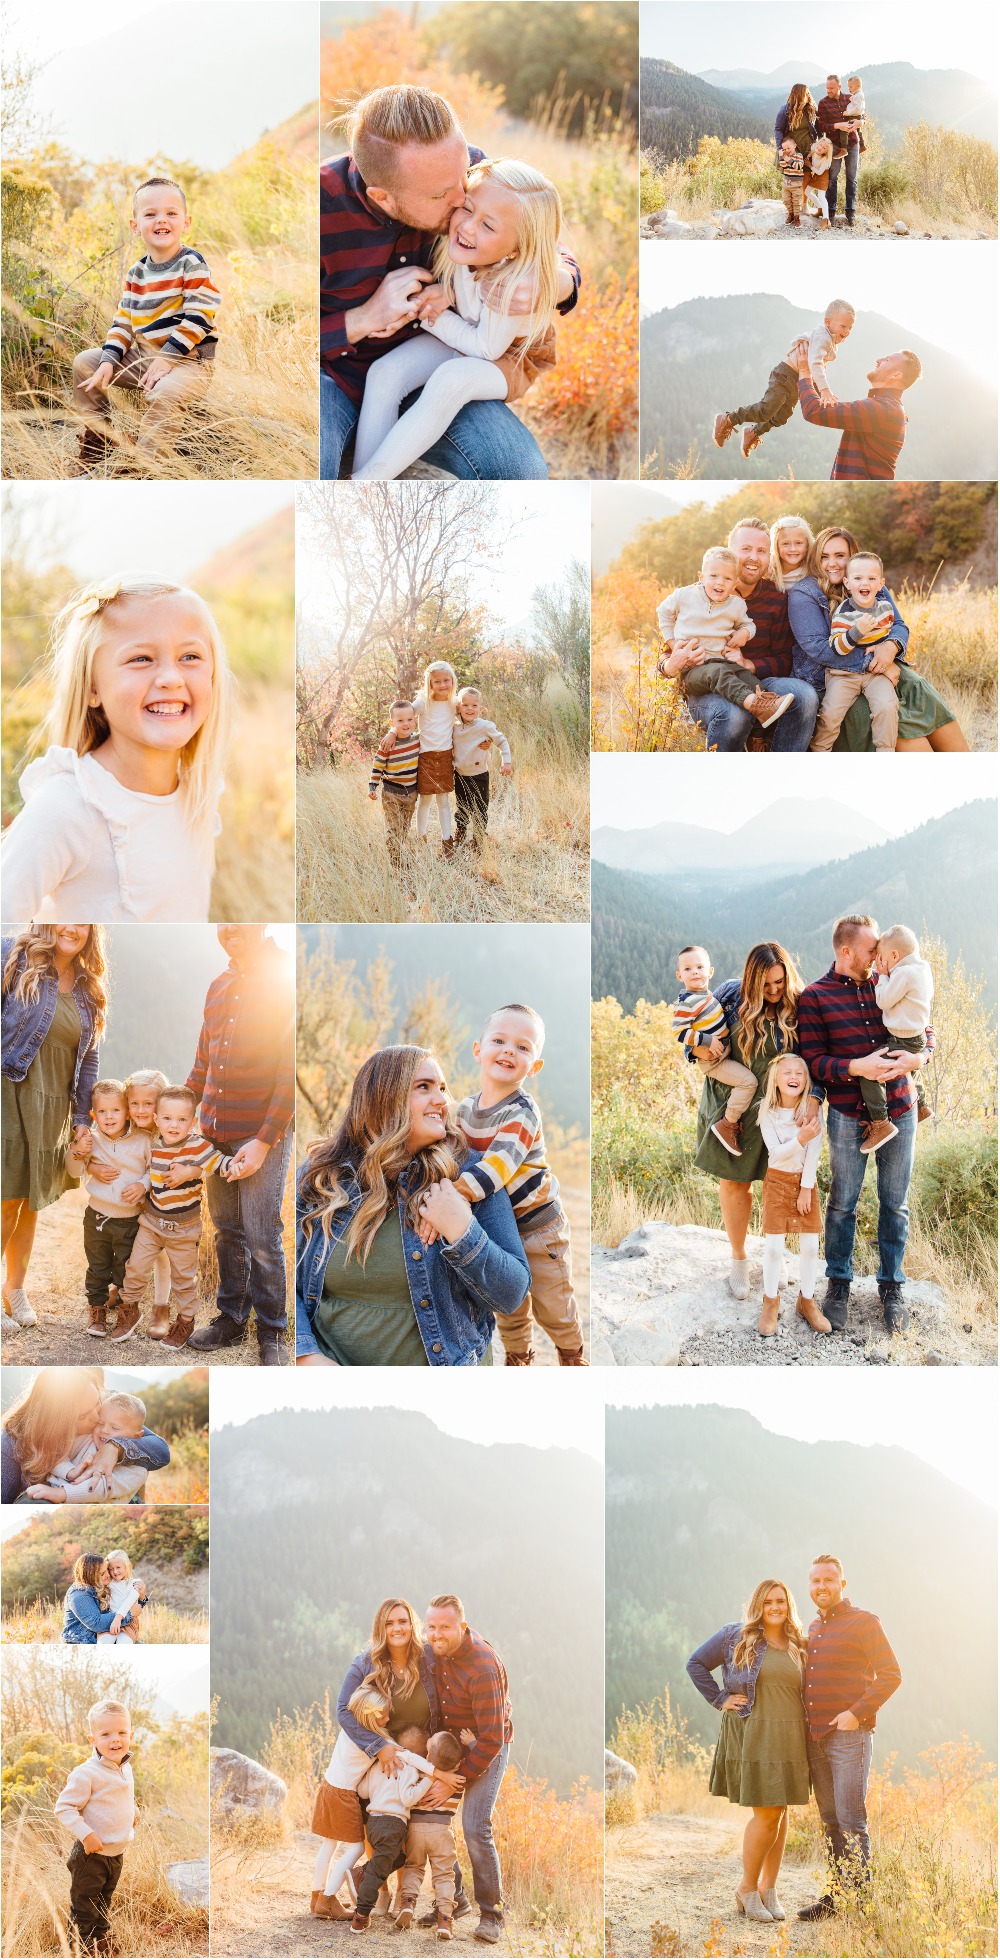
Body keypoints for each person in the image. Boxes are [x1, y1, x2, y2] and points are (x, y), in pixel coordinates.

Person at [319, 84, 580, 482]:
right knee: (311, 468)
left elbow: (539, 238)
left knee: (518, 471)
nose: (463, 199)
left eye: (464, 179)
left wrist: (556, 283)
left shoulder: (463, 170)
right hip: (334, 378)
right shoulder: (318, 206)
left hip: (445, 364)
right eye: (444, 194)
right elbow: (276, 341)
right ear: (383, 197)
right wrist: (361, 319)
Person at [0, 578, 232, 922]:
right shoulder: (67, 808)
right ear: (93, 688)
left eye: (190, 656)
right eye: (141, 658)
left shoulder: (197, 794)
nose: (171, 677)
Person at [296, 1046, 530, 1366]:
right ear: (382, 1096)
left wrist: (462, 1229)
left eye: (443, 1089)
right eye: (424, 1087)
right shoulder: (321, 1177)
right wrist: (305, 1355)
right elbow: (284, 1279)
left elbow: (512, 1294)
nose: (442, 1101)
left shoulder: (470, 1176)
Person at [352, 158, 562, 482]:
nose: (467, 226)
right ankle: (361, 478)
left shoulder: (510, 283)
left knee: (452, 379)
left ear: (517, 249)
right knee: (385, 373)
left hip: (509, 359)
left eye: (488, 225)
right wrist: (446, 293)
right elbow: (467, 290)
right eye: (467, 207)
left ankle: (368, 481)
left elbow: (486, 349)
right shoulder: (470, 247)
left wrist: (428, 316)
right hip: (470, 335)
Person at [797, 913, 929, 1334]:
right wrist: (858, 1067)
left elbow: (924, 1024)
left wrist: (919, 1057)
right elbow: (814, 1060)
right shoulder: (815, 997)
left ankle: (891, 1287)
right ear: (845, 951)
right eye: (871, 950)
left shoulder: (887, 980)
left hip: (901, 1109)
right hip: (848, 1115)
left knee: (896, 1203)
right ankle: (839, 1285)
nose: (879, 957)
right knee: (842, 1204)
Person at [184, 926, 295, 1365]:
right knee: (227, 1230)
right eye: (224, 921)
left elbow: (290, 1073)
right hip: (214, 1134)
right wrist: (173, 1112)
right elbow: (202, 1065)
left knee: (262, 1235)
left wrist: (264, 1143)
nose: (232, 930)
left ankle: (272, 1332)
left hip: (259, 1135)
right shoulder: (218, 986)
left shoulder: (283, 979)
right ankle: (231, 1319)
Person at [452, 1004, 587, 1365]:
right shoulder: (464, 1111)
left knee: (553, 1305)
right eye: (499, 1040)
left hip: (539, 1228)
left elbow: (499, 1165)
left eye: (523, 1047)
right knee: (508, 1303)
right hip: (499, 1228)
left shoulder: (522, 1110)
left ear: (535, 1067)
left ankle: (572, 1354)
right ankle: (518, 1358)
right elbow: (448, 1152)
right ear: (478, 1050)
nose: (509, 1050)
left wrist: (456, 1194)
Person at [692, 942, 820, 1300]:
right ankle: (738, 1260)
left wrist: (811, 1098)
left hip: (781, 1108)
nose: (775, 991)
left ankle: (772, 1260)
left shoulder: (800, 1002)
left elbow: (815, 1052)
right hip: (734, 1105)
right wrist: (697, 1048)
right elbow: (696, 1028)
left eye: (780, 982)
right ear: (750, 980)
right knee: (736, 1184)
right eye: (766, 985)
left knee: (778, 1184)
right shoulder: (730, 995)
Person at [71, 176, 219, 466]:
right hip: (144, 357)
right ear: (135, 225)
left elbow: (201, 315)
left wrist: (167, 359)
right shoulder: (136, 273)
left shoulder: (192, 263)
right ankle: (98, 441)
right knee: (85, 363)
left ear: (186, 222)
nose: (161, 220)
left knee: (163, 392)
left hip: (189, 361)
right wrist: (108, 360)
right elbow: (123, 322)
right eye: (150, 214)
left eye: (171, 213)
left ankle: (147, 464)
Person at [687, 1579, 810, 1926]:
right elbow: (695, 1663)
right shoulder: (735, 1635)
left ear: (789, 1605)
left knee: (781, 1811)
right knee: (767, 1813)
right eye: (769, 1601)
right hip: (754, 1732)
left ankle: (769, 1889)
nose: (775, 1607)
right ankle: (746, 1888)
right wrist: (720, 1698)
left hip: (790, 1736)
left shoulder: (797, 1642)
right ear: (758, 1604)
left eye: (781, 1601)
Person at [2, 926, 106, 1334]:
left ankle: (15, 1290)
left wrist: (83, 1121)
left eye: (83, 921)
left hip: (52, 1107)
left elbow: (90, 1061)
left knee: (30, 1202)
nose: (72, 927)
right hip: (8, 1090)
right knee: (6, 1199)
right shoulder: (13, 954)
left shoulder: (90, 989)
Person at [325, 1598, 453, 1917]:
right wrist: (377, 1747)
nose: (397, 1628)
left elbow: (456, 1678)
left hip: (416, 1749)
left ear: (412, 1625)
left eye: (402, 1621)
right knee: (375, 1817)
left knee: (406, 1822)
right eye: (389, 1623)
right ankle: (380, 1889)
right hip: (379, 1751)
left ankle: (402, 1896)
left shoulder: (427, 1658)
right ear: (380, 1628)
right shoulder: (366, 1661)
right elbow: (343, 1709)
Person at [787, 525, 969, 750]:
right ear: (816, 559)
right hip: (833, 676)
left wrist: (891, 647)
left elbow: (899, 625)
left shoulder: (868, 579)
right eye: (824, 556)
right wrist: (877, 665)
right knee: (897, 726)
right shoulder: (804, 594)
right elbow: (819, 649)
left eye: (840, 556)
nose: (832, 563)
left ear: (852, 557)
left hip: (882, 665)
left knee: (918, 688)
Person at [797, 1556, 902, 1922]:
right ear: (809, 1587)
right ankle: (837, 1896)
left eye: (829, 1580)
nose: (821, 1586)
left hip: (849, 1738)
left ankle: (862, 1905)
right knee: (829, 1820)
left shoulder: (864, 1622)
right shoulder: (813, 1627)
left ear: (842, 1584)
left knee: (851, 1820)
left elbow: (891, 1674)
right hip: (815, 1740)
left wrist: (855, 1713)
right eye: (815, 1581)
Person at [656, 520, 819, 753]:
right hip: (707, 687)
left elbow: (785, 659)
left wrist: (749, 665)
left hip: (751, 679)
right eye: (746, 549)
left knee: (805, 696)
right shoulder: (698, 594)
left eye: (762, 551)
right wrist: (671, 665)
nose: (754, 557)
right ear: (730, 552)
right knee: (734, 714)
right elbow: (665, 652)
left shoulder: (777, 598)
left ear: (769, 557)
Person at [419, 1594, 513, 1946]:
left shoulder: (482, 1665)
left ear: (462, 1625)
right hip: (450, 1744)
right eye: (431, 1627)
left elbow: (492, 1739)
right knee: (429, 1817)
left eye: (444, 1626)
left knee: (475, 1825)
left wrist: (453, 1781)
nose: (436, 1633)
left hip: (485, 1745)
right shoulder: (434, 1650)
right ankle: (454, 1899)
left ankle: (492, 1914)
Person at [111, 1085, 234, 1349]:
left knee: (184, 1279)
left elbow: (219, 1163)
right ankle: (129, 1310)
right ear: (157, 1120)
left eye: (182, 1120)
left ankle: (185, 1322)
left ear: (193, 1121)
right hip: (152, 1223)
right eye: (167, 1118)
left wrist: (231, 1166)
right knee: (135, 1269)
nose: (174, 1125)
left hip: (184, 1228)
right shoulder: (154, 1144)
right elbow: (143, 1171)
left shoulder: (198, 1146)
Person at [657, 546, 794, 733]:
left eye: (727, 579)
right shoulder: (684, 595)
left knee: (748, 678)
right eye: (713, 576)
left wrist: (744, 633)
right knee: (717, 671)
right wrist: (673, 644)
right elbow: (663, 613)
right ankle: (754, 704)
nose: (720, 583)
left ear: (735, 582)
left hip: (721, 663)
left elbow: (749, 625)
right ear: (701, 576)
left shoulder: (736, 605)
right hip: (692, 671)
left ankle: (762, 723)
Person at [713, 300, 854, 461]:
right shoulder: (823, 338)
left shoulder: (829, 339)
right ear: (828, 322)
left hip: (796, 379)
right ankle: (728, 419)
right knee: (766, 409)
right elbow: (815, 364)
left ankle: (752, 432)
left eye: (850, 328)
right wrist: (824, 390)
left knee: (783, 416)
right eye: (843, 326)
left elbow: (815, 365)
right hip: (785, 375)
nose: (847, 331)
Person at [1, 1369, 169, 1504]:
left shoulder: (112, 1407)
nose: (97, 1419)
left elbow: (160, 1449)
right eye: (83, 1416)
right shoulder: (11, 1443)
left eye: (97, 1406)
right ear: (56, 1422)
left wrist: (115, 1447)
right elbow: (57, 1459)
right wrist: (69, 1473)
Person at [64, 1080, 151, 1337]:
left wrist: (143, 1186)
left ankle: (127, 1311)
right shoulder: (92, 1140)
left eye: (115, 1110)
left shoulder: (143, 1140)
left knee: (126, 1269)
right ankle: (97, 1310)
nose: (109, 1117)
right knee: (98, 1267)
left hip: (129, 1219)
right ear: (93, 1115)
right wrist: (77, 1151)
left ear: (126, 1112)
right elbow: (74, 1170)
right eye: (102, 1111)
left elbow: (152, 1170)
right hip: (96, 1216)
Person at [54, 1699, 138, 1952]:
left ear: (131, 1735)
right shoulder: (86, 1773)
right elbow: (64, 1807)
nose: (115, 1740)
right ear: (93, 1739)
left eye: (122, 1732)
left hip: (115, 1852)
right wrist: (86, 1834)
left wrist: (132, 1810)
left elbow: (121, 1795)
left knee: (104, 1900)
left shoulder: (124, 1767)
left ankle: (99, 1941)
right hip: (91, 1855)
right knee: (85, 1904)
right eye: (106, 1734)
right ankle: (79, 1948)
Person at [757, 1054, 831, 1337]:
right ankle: (770, 1301)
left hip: (804, 1183)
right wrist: (799, 1138)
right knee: (775, 1247)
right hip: (776, 1182)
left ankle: (807, 1301)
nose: (794, 1077)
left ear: (806, 1081)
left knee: (810, 1246)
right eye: (787, 1072)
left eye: (800, 1073)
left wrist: (806, 1188)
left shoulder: (811, 1110)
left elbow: (813, 1153)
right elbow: (774, 1155)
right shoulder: (767, 1111)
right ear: (776, 1079)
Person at [810, 551, 905, 753]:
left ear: (881, 584)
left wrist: (889, 653)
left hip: (876, 673)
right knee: (830, 714)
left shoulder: (886, 609)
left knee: (887, 706)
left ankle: (885, 751)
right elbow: (837, 648)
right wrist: (857, 631)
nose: (865, 584)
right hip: (843, 675)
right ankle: (820, 751)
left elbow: (893, 632)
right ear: (847, 582)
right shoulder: (843, 613)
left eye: (872, 579)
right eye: (858, 578)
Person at [672, 944, 759, 1158]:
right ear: (679, 975)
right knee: (748, 1082)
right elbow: (679, 1032)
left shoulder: (708, 996)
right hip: (714, 1061)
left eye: (700, 967)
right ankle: (728, 1124)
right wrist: (706, 1041)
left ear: (710, 971)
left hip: (722, 1053)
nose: (695, 972)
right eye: (688, 969)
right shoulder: (686, 1002)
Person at [350, 1724, 438, 1932]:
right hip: (393, 1825)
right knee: (380, 1869)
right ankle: (361, 1915)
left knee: (397, 1858)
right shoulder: (409, 1769)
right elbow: (408, 1799)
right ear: (416, 1754)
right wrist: (428, 1780)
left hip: (373, 1824)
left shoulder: (378, 1765)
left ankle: (363, 1872)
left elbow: (363, 1792)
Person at [795, 343, 921, 480]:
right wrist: (815, 371)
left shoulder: (882, 410)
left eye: (887, 360)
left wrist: (804, 372)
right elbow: (826, 407)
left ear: (896, 375)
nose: (878, 360)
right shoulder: (886, 407)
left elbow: (815, 411)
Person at [397, 1731, 469, 1938]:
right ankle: (445, 1920)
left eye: (429, 1742)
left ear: (427, 1757)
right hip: (442, 1832)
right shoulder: (454, 1782)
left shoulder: (419, 1774)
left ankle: (408, 1903)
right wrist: (470, 1744)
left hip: (415, 1831)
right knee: (444, 1875)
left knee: (413, 1867)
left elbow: (404, 1756)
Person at [29, 1391, 155, 1505]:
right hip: (51, 1496)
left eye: (115, 1428)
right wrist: (70, 1472)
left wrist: (61, 1494)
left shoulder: (137, 1470)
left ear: (137, 1436)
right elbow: (55, 1456)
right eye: (100, 1423)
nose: (104, 1430)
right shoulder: (87, 1439)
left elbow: (103, 1488)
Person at [872, 925, 934, 1128]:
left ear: (895, 955)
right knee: (911, 1071)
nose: (879, 963)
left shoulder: (904, 973)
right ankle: (922, 1106)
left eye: (882, 958)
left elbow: (883, 1000)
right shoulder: (923, 968)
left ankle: (880, 1123)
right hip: (918, 1036)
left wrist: (882, 976)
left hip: (903, 1039)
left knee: (875, 1070)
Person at [369, 699, 421, 889]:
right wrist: (372, 786)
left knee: (404, 826)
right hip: (391, 791)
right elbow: (378, 765)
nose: (405, 724)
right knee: (393, 828)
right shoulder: (387, 744)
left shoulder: (418, 740)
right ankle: (396, 864)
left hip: (411, 792)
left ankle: (399, 853)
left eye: (409, 719)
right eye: (400, 721)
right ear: (392, 723)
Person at [452, 687, 511, 852]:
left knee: (480, 808)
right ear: (458, 707)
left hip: (479, 776)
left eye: (474, 705)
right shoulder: (454, 726)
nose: (469, 709)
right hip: (460, 775)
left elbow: (502, 741)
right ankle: (461, 832)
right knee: (462, 807)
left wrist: (507, 762)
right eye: (465, 705)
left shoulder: (485, 726)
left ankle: (478, 838)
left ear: (480, 708)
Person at [62, 1555, 138, 1644]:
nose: (107, 1575)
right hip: (82, 1641)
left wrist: (142, 1596)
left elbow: (127, 1598)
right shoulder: (78, 1594)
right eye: (102, 1574)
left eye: (106, 1570)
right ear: (90, 1576)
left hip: (105, 1635)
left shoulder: (101, 1585)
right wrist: (129, 1614)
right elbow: (96, 1623)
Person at [816, 75, 861, 223]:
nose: (828, 90)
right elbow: (820, 126)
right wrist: (837, 126)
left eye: (831, 88)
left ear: (839, 87)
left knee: (851, 178)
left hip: (853, 143)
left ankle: (850, 213)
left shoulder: (850, 98)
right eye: (827, 88)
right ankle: (831, 213)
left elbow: (862, 113)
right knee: (832, 178)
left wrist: (861, 122)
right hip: (834, 146)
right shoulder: (823, 103)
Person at [99, 1548, 148, 1645]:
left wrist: (118, 1619)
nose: (115, 1572)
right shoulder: (108, 1583)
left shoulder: (135, 1583)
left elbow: (129, 1602)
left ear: (127, 1566)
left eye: (118, 1567)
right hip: (110, 1621)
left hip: (129, 1623)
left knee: (124, 1644)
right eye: (111, 1569)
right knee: (103, 1643)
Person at [773, 84, 817, 161]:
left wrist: (819, 144)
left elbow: (818, 128)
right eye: (806, 93)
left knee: (807, 172)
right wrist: (780, 148)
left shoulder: (811, 109)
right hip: (791, 149)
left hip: (808, 148)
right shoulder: (785, 110)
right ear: (799, 95)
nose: (808, 95)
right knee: (792, 171)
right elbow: (778, 129)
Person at [778, 140, 805, 224]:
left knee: (796, 201)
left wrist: (789, 160)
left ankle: (797, 217)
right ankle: (791, 214)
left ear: (795, 145)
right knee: (786, 200)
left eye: (788, 148)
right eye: (784, 149)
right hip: (786, 183)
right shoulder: (786, 156)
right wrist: (781, 157)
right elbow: (783, 166)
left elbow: (799, 166)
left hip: (796, 184)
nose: (787, 150)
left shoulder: (799, 156)